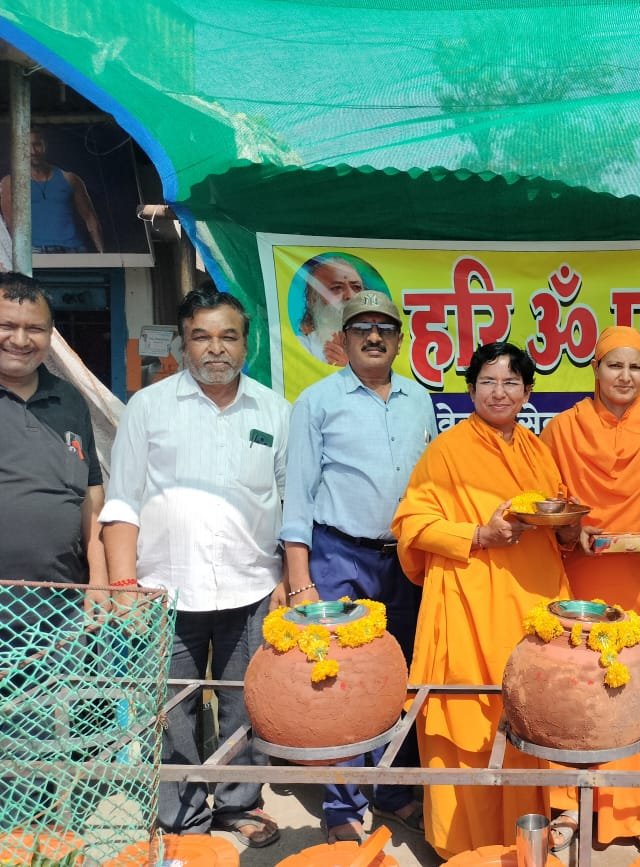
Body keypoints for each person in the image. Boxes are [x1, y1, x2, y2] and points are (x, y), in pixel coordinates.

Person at [100, 287, 288, 848]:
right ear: (183, 345)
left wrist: (285, 580)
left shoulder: (274, 410)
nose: (215, 348)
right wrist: (125, 584)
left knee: (245, 704)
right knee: (171, 708)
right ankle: (181, 818)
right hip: (166, 589)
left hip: (252, 587)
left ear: (247, 344)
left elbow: (288, 501)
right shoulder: (148, 407)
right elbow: (122, 499)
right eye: (201, 337)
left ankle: (239, 804)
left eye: (228, 336)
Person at [391, 341, 577, 859]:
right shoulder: (446, 451)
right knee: (468, 718)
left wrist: (567, 529)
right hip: (470, 603)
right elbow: (411, 524)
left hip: (531, 605)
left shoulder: (537, 450)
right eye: (488, 382)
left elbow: (555, 512)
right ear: (471, 390)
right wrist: (479, 534)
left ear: (528, 392)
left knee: (529, 715)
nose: (499, 392)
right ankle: (463, 846)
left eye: (511, 382)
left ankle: (526, 836)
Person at [280, 289, 434, 843]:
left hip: (406, 561)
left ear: (399, 340)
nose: (374, 337)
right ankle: (342, 806)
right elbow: (297, 496)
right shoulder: (317, 402)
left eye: (384, 328)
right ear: (342, 340)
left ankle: (393, 792)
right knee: (343, 681)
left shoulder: (419, 399)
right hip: (340, 556)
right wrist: (299, 581)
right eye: (362, 328)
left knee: (401, 676)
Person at [539, 325, 640, 854]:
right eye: (615, 365)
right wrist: (572, 529)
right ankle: (569, 804)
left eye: (635, 367)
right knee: (576, 692)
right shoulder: (561, 430)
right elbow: (549, 500)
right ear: (595, 369)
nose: (625, 376)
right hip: (582, 582)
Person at [0, 272, 105, 586]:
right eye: (7, 326)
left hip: (62, 602)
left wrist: (100, 579)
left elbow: (91, 497)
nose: (20, 340)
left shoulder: (69, 400)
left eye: (35, 329)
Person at [1, 128, 105, 254]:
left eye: (37, 144)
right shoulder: (10, 182)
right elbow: (10, 224)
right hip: (35, 250)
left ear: (45, 146)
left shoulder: (70, 178)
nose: (32, 151)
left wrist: (103, 254)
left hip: (74, 249)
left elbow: (90, 218)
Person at [296, 254, 367, 365]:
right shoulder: (299, 346)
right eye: (337, 288)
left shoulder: (384, 343)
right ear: (313, 299)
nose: (350, 296)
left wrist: (349, 365)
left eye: (356, 287)